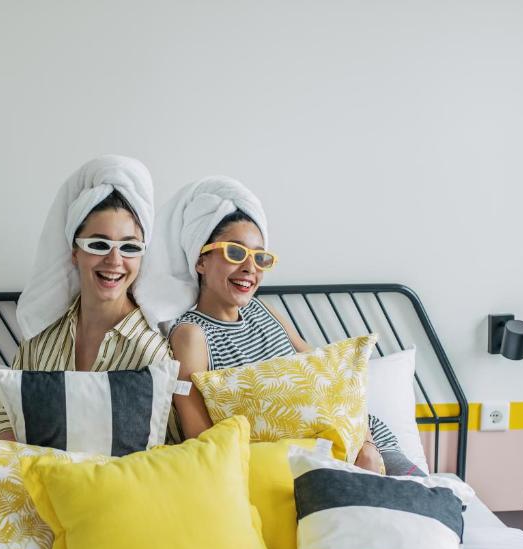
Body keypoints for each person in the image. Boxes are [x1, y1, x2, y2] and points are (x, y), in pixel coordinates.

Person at [0, 155, 178, 546]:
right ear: (74, 252)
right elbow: (1, 410)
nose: (115, 260)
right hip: (39, 493)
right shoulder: (42, 340)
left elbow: (168, 452)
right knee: (12, 532)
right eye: (99, 244)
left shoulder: (154, 353)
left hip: (113, 506)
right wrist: (17, 452)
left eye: (130, 247)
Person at [136, 176, 384, 472]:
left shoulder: (262, 309)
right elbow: (202, 438)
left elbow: (330, 379)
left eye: (260, 257)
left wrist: (367, 446)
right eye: (235, 252)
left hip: (361, 443)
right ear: (200, 261)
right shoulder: (191, 335)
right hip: (297, 467)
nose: (250, 268)